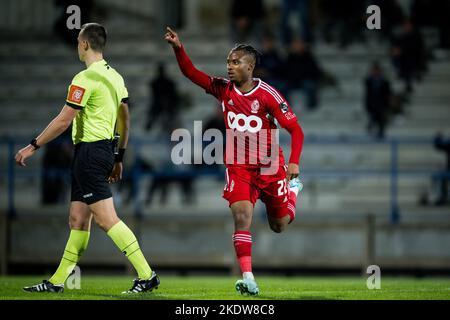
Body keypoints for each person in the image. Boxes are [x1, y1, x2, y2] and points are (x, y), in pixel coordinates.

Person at [15, 23, 159, 294]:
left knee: (106, 219)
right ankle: (58, 281)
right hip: (102, 151)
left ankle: (146, 274)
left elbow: (63, 120)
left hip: (90, 154)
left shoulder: (84, 79)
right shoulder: (116, 77)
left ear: (83, 45)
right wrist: (119, 157)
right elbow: (125, 120)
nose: (76, 46)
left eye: (77, 42)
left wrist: (33, 146)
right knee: (78, 219)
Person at [165, 27, 304, 295]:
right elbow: (191, 74)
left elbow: (296, 130)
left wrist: (294, 163)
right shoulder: (223, 89)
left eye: (235, 62)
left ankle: (294, 192)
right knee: (242, 216)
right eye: (228, 61)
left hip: (269, 166)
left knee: (279, 225)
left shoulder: (268, 96)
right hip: (238, 166)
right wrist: (178, 48)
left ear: (250, 67)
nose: (229, 66)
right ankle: (249, 278)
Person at [364, 62, 392, 140]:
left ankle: (381, 133)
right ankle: (371, 131)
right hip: (372, 104)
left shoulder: (385, 82)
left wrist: (387, 105)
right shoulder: (368, 81)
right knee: (372, 118)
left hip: (381, 105)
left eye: (376, 70)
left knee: (381, 120)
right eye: (373, 70)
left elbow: (388, 94)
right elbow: (367, 95)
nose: (375, 72)